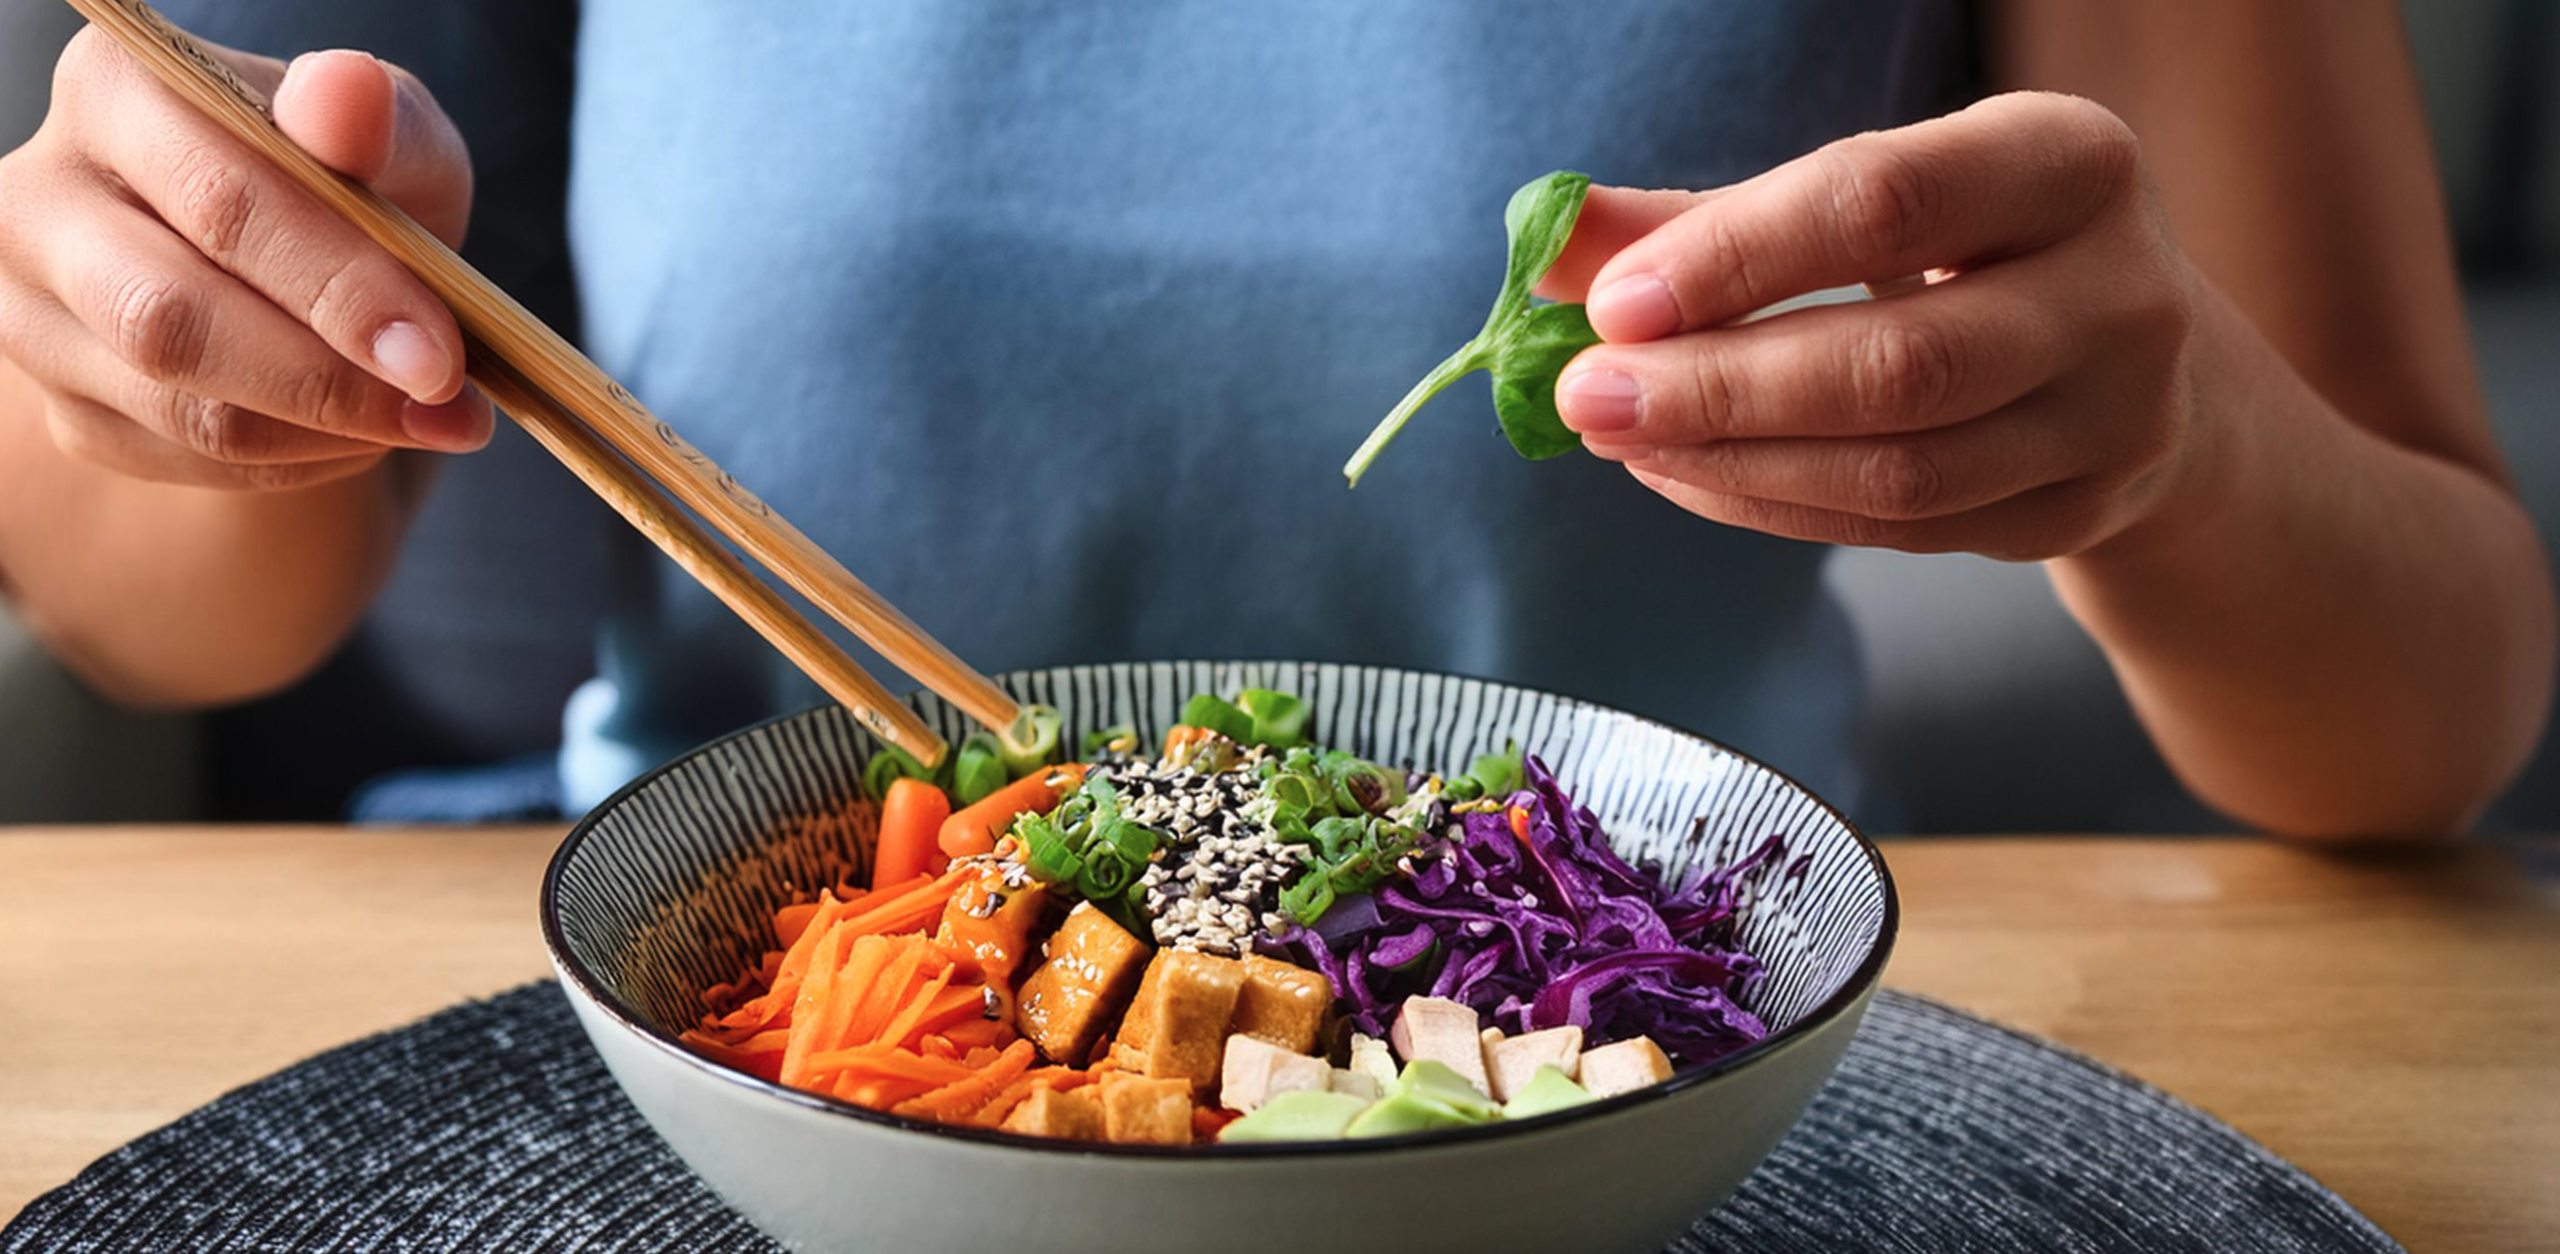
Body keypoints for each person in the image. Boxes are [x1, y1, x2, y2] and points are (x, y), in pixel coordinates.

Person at [0, 1, 2547, 837]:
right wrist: (162, 372)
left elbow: (2423, 714)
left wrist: (2176, 448)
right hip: (733, 1014)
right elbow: (148, 617)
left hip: (1648, 1071)